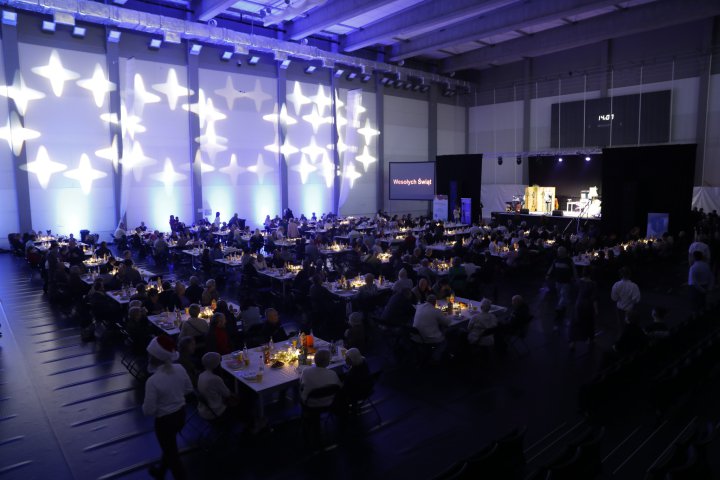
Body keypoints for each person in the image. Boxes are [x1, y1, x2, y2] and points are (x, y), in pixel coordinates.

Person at [142, 336, 192, 480]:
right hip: (181, 415)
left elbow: (148, 410)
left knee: (173, 456)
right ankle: (160, 473)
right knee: (169, 448)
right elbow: (188, 389)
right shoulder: (180, 369)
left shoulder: (152, 381)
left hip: (164, 422)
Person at [546, 246, 577, 329]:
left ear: (564, 252)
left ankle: (558, 309)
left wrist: (575, 278)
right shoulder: (556, 260)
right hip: (558, 281)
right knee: (560, 296)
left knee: (563, 295)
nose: (558, 253)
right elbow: (551, 268)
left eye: (560, 252)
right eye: (558, 251)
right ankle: (562, 308)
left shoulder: (569, 261)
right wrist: (548, 275)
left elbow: (574, 270)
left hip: (566, 282)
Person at [569, 267, 599, 350]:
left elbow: (574, 292)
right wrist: (596, 310)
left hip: (578, 304)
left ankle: (572, 343)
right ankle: (591, 339)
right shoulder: (593, 284)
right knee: (589, 322)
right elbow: (594, 299)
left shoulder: (578, 281)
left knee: (575, 323)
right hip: (588, 305)